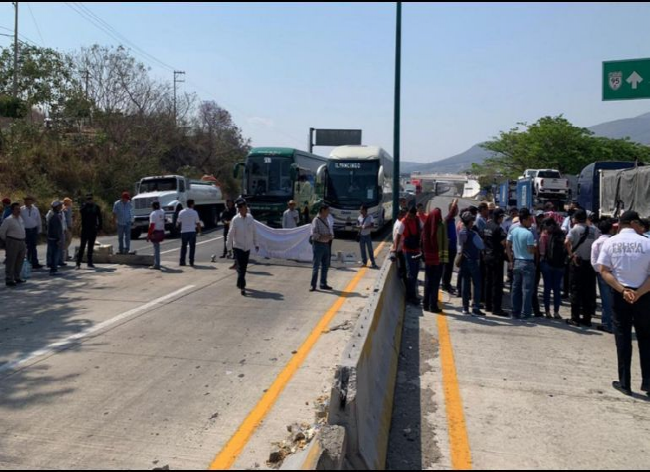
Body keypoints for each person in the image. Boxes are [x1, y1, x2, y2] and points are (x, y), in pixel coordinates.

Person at [597, 211, 650, 397]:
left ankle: (625, 382)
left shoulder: (610, 243)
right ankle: (648, 382)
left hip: (621, 295)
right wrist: (638, 293)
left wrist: (623, 291)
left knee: (623, 338)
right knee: (646, 338)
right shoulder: (647, 243)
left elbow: (604, 271)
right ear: (635, 223)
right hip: (643, 295)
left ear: (620, 224)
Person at [565, 209, 598, 328]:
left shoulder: (574, 229)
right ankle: (587, 318)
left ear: (576, 218)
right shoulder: (594, 230)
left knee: (575, 290)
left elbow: (567, 242)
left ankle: (575, 318)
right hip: (589, 264)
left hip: (577, 263)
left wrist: (571, 255)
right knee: (588, 291)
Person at [507, 208, 537, 320]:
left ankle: (515, 312)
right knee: (527, 290)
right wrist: (535, 247)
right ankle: (525, 313)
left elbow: (507, 244)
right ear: (524, 220)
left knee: (515, 288)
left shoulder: (514, 231)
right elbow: (530, 250)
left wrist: (510, 259)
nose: (531, 222)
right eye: (529, 220)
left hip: (516, 261)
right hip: (527, 262)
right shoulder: (528, 234)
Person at [227, 199, 259, 296]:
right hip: (238, 246)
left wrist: (256, 243)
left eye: (246, 208)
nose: (245, 210)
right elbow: (230, 234)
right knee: (241, 266)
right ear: (239, 210)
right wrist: (229, 248)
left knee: (243, 267)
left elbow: (254, 231)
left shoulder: (250, 218)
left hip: (247, 246)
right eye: (243, 209)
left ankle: (239, 281)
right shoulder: (235, 219)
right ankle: (242, 286)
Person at [591, 219, 617, 333]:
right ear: (611, 229)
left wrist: (600, 271)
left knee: (605, 300)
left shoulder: (596, 243)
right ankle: (612, 323)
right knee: (615, 299)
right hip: (615, 274)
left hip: (602, 274)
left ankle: (607, 324)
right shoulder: (614, 241)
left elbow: (594, 261)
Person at [394, 206, 423, 305]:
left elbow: (422, 230)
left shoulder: (417, 220)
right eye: (408, 215)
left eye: (411, 216)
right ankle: (410, 296)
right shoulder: (403, 222)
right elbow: (398, 236)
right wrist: (395, 248)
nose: (409, 217)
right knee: (410, 273)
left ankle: (413, 295)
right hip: (408, 251)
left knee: (415, 273)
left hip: (416, 250)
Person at [458, 211, 485, 316]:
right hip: (473, 261)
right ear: (469, 222)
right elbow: (481, 246)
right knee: (477, 284)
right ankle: (475, 307)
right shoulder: (473, 234)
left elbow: (460, 246)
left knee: (465, 284)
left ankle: (465, 308)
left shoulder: (461, 232)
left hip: (464, 260)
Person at [422, 208, 448, 313]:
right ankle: (433, 305)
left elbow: (423, 242)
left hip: (428, 258)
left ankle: (425, 304)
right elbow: (444, 243)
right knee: (435, 282)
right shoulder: (440, 226)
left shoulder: (426, 226)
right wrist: (444, 259)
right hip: (438, 259)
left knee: (428, 281)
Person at [539, 218, 566, 320]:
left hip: (547, 264)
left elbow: (542, 252)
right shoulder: (562, 234)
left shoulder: (544, 235)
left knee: (547, 289)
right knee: (557, 289)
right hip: (559, 265)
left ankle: (547, 312)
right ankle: (556, 312)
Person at [484, 208, 508, 317]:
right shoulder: (498, 229)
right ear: (499, 217)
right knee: (497, 284)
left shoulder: (487, 226)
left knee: (488, 282)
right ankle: (496, 308)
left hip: (487, 256)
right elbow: (504, 243)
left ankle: (488, 305)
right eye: (502, 217)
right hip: (496, 258)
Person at [0, 202, 27, 287]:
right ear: (12, 210)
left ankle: (17, 277)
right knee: (11, 260)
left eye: (19, 209)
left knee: (20, 260)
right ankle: (9, 279)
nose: (18, 210)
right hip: (12, 241)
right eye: (16, 209)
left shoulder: (20, 218)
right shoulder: (8, 220)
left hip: (22, 241)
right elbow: (2, 232)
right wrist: (7, 241)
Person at [310, 204, 334, 292]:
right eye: (327, 211)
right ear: (323, 210)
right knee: (316, 266)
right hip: (318, 245)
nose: (328, 213)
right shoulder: (316, 220)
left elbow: (330, 231)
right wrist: (324, 236)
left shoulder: (326, 220)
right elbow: (314, 234)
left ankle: (323, 284)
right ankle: (313, 285)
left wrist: (330, 236)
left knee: (325, 266)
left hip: (326, 245)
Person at [76, 194, 103, 270]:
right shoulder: (83, 206)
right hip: (85, 229)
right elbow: (81, 212)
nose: (89, 200)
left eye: (91, 199)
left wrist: (100, 227)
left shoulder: (96, 207)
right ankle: (78, 263)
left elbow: (100, 217)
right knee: (82, 246)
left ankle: (90, 262)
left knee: (90, 247)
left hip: (93, 229)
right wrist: (85, 205)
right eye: (88, 199)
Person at [441, 199, 459, 295]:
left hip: (452, 247)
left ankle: (447, 283)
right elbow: (451, 212)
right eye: (455, 209)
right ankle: (445, 285)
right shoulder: (447, 219)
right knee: (447, 267)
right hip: (448, 248)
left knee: (449, 267)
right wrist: (454, 203)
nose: (457, 211)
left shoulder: (452, 220)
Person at [177, 199, 201, 267]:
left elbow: (178, 222)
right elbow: (198, 223)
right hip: (192, 231)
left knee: (183, 247)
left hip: (184, 232)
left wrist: (178, 229)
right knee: (192, 247)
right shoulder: (194, 212)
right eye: (193, 204)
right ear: (191, 204)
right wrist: (199, 232)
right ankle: (191, 262)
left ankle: (182, 261)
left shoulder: (181, 212)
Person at [21, 196, 43, 269]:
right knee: (27, 247)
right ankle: (27, 262)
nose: (27, 202)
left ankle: (34, 263)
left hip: (33, 229)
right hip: (25, 230)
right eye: (26, 201)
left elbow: (38, 219)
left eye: (28, 200)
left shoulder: (35, 209)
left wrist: (39, 229)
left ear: (31, 202)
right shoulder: (22, 209)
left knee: (33, 246)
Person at [46, 201, 64, 276]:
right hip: (54, 238)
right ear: (56, 207)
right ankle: (53, 269)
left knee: (54, 253)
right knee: (55, 254)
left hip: (53, 237)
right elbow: (55, 229)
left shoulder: (55, 214)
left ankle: (54, 268)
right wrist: (58, 239)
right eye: (60, 205)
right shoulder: (54, 216)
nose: (61, 207)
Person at [392, 208, 408, 287]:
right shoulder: (400, 224)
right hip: (400, 250)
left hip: (399, 249)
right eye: (404, 216)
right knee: (404, 270)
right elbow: (397, 237)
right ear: (400, 216)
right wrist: (395, 248)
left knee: (404, 269)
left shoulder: (397, 222)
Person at [147, 201, 165, 270]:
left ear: (153, 206)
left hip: (155, 232)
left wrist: (148, 235)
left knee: (156, 248)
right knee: (157, 248)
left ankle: (157, 264)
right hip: (161, 231)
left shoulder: (153, 214)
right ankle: (156, 263)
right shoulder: (162, 212)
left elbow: (152, 225)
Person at [61, 198, 73, 263]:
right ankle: (63, 255)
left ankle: (66, 255)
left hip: (66, 227)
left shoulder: (64, 208)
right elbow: (67, 219)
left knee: (66, 240)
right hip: (67, 227)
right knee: (68, 241)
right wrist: (69, 226)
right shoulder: (67, 209)